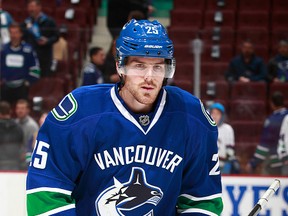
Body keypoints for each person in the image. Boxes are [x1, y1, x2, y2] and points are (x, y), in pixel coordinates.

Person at [26, 19, 223, 215]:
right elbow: (46, 193)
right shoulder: (81, 112)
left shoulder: (191, 116)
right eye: (139, 65)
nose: (149, 77)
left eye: (157, 67)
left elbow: (202, 200)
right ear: (120, 66)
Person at [247, 92, 288, 175]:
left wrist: (253, 162)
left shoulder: (271, 120)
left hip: (276, 162)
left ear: (272, 104)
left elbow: (265, 144)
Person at [0, 22, 40, 104]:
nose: (13, 35)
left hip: (22, 87)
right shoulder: (3, 49)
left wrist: (29, 81)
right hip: (5, 86)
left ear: (21, 34)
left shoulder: (28, 49)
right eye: (11, 33)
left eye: (16, 33)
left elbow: (35, 68)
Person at [22, 0, 59, 77]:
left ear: (39, 7)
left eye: (32, 7)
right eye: (29, 7)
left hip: (44, 55)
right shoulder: (26, 22)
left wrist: (47, 41)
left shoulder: (49, 21)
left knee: (44, 79)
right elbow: (23, 37)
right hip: (30, 55)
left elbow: (56, 36)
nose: (30, 9)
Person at [209, 102, 240, 174]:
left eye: (218, 114)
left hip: (223, 165)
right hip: (208, 165)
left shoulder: (228, 129)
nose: (215, 116)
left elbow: (230, 150)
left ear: (222, 116)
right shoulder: (205, 128)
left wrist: (230, 160)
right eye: (213, 113)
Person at [15, 99, 39, 169]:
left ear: (28, 110)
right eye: (18, 108)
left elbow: (34, 146)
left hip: (27, 162)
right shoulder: (14, 123)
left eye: (22, 108)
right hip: (16, 160)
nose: (20, 111)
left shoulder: (32, 126)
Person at [0, 101, 24, 170]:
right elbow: (22, 147)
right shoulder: (19, 127)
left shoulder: (18, 127)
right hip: (15, 165)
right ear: (10, 112)